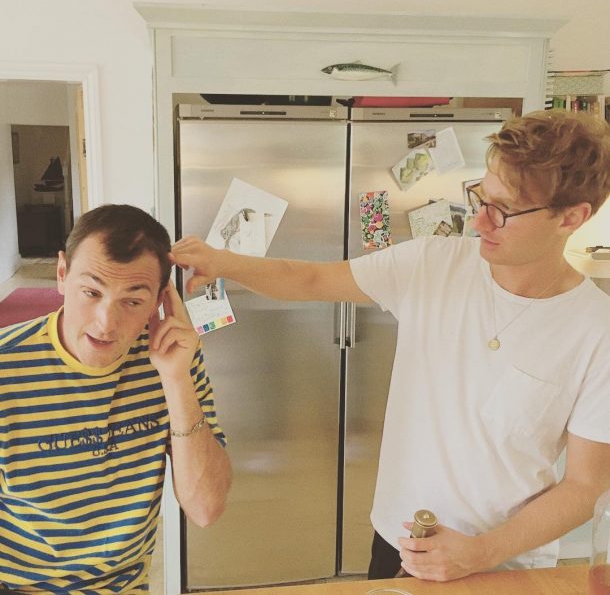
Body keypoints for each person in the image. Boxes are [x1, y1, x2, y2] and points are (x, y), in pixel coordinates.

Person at [171, 109, 610, 582]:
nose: (480, 221)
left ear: (572, 217)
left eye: (504, 210)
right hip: (399, 539)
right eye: (481, 197)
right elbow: (310, 278)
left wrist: (481, 552)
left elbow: (585, 485)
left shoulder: (598, 331)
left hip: (504, 561)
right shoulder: (433, 264)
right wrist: (223, 262)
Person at [0, 204, 231, 593]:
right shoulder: (6, 366)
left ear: (159, 300)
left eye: (133, 301)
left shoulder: (173, 359)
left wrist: (176, 380)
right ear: (62, 274)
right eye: (91, 292)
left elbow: (206, 508)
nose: (106, 323)